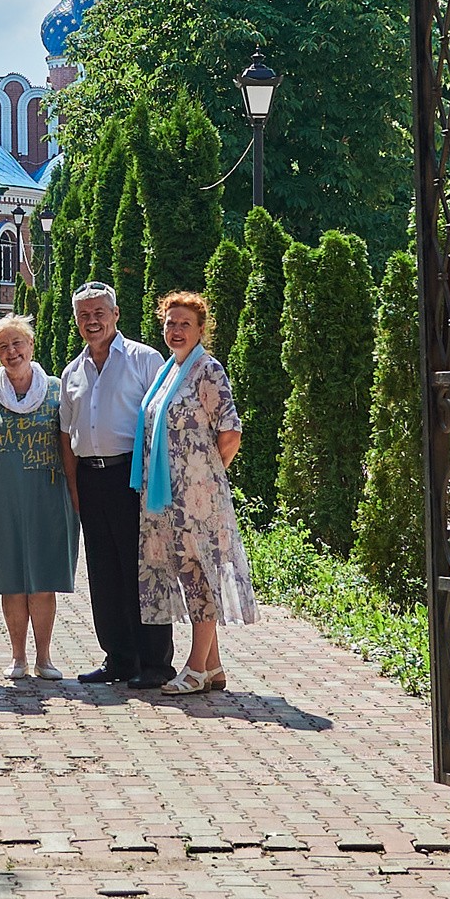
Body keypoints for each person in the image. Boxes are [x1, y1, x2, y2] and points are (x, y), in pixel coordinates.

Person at [136, 292, 258, 694]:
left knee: (198, 574)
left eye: (185, 323)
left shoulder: (208, 370)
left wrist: (206, 477)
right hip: (168, 498)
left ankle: (195, 668)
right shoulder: (168, 371)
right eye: (170, 323)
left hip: (197, 499)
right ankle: (214, 666)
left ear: (201, 329)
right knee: (188, 574)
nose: (176, 330)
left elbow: (231, 431)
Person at [61, 281, 175, 689]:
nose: (92, 321)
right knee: (104, 571)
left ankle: (156, 662)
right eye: (84, 316)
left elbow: (163, 422)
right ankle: (119, 658)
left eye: (99, 313)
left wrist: (154, 483)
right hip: (91, 479)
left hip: (132, 477)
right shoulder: (72, 371)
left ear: (115, 315)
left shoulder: (145, 360)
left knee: (143, 570)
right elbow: (66, 433)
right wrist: (75, 487)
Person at [0, 313, 78, 679]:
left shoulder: (57, 390)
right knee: (11, 578)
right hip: (0, 496)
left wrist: (76, 493)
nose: (12, 352)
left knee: (42, 578)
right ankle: (18, 658)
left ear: (30, 346)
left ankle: (44, 659)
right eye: (3, 347)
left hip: (49, 494)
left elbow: (68, 446)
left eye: (17, 343)